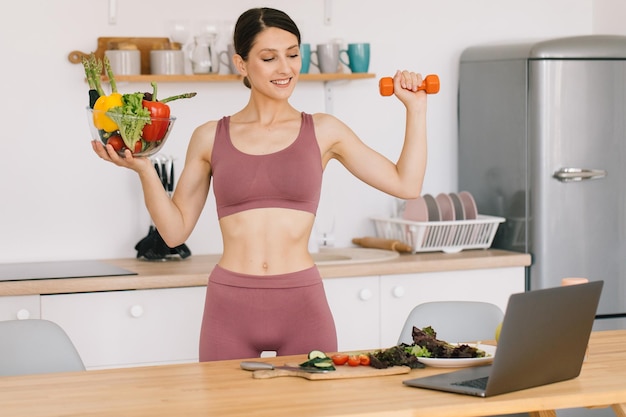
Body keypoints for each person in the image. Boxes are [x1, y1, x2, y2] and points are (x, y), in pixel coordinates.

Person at [92, 7, 429, 361]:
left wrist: (415, 110)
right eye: (269, 58)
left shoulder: (325, 130)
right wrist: (145, 171)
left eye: (293, 55)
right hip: (230, 307)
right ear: (241, 64)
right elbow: (174, 233)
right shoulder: (209, 136)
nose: (285, 68)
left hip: (302, 305)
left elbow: (406, 184)